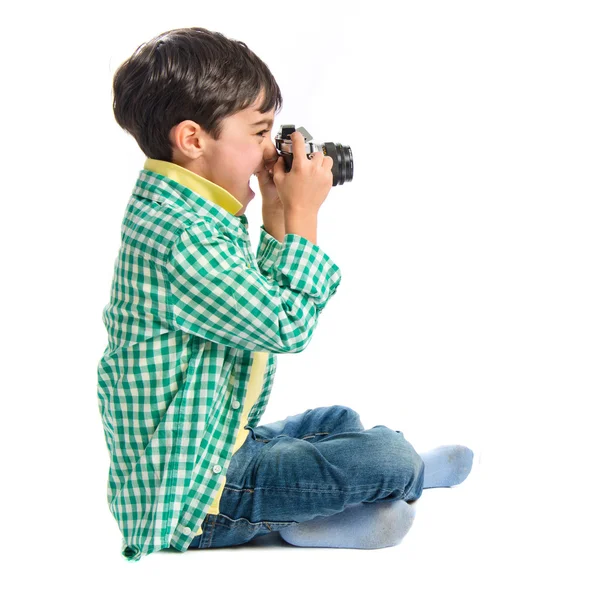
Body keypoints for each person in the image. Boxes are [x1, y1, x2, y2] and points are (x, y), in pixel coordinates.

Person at [97, 26, 474, 562]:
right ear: (193, 140)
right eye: (259, 133)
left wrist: (276, 214)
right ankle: (401, 471)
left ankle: (320, 516)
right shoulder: (180, 236)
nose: (271, 150)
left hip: (219, 440)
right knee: (381, 454)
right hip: (193, 501)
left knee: (337, 421)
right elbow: (283, 326)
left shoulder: (188, 208)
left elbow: (249, 306)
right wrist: (302, 216)